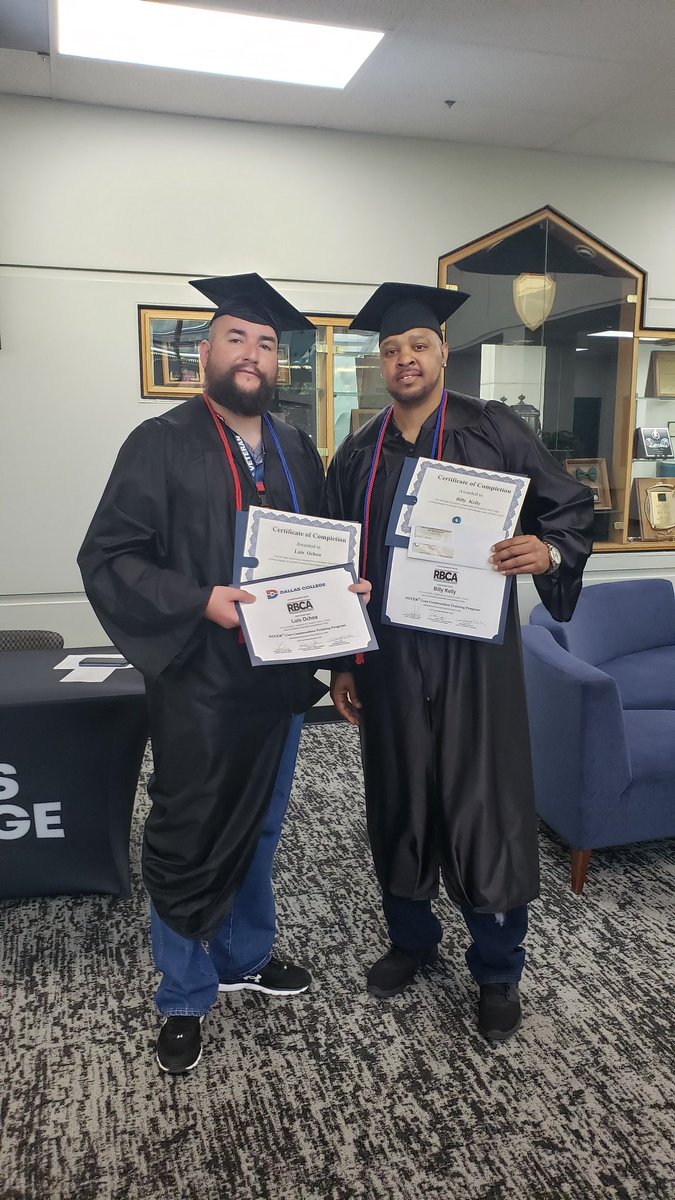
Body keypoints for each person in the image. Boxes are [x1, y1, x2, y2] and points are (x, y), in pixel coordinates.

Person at [326, 282, 594, 1042]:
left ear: (443, 352)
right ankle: (412, 940)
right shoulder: (358, 451)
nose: (404, 359)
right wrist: (345, 663)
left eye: (417, 346)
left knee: (483, 803)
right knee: (398, 796)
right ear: (379, 363)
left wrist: (546, 548)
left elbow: (568, 506)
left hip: (476, 659)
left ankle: (498, 967)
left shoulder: (495, 429)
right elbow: (336, 565)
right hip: (388, 657)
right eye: (390, 350)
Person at [79, 274, 332, 1075]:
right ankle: (185, 991)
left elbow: (321, 546)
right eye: (236, 339)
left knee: (259, 822)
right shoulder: (160, 441)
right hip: (199, 680)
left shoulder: (297, 447)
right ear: (204, 355)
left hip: (279, 678)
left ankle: (245, 957)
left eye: (265, 343)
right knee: (190, 833)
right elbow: (110, 557)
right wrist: (202, 600)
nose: (253, 355)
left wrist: (342, 590)